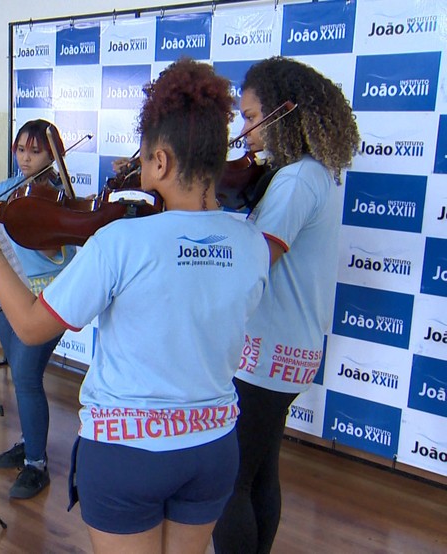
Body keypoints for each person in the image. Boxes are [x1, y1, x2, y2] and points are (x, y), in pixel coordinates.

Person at [0, 59, 270, 553]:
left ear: (160, 162)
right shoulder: (252, 242)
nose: (137, 172)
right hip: (212, 445)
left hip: (129, 451)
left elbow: (33, 328)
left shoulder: (121, 240)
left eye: (142, 162)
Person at [212, 57, 360, 554]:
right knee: (259, 471)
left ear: (284, 112)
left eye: (252, 117)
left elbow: (258, 259)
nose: (245, 130)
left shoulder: (296, 179)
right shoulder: (313, 172)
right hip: (291, 348)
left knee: (230, 482)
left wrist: (208, 221)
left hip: (267, 352)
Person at [0, 119, 78, 499]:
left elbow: (57, 253)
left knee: (26, 375)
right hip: (9, 296)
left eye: (36, 151)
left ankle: (37, 464)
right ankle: (28, 442)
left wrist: (32, 220)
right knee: (21, 377)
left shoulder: (60, 197)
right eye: (21, 149)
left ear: (54, 155)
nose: (26, 159)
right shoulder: (6, 190)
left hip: (46, 301)